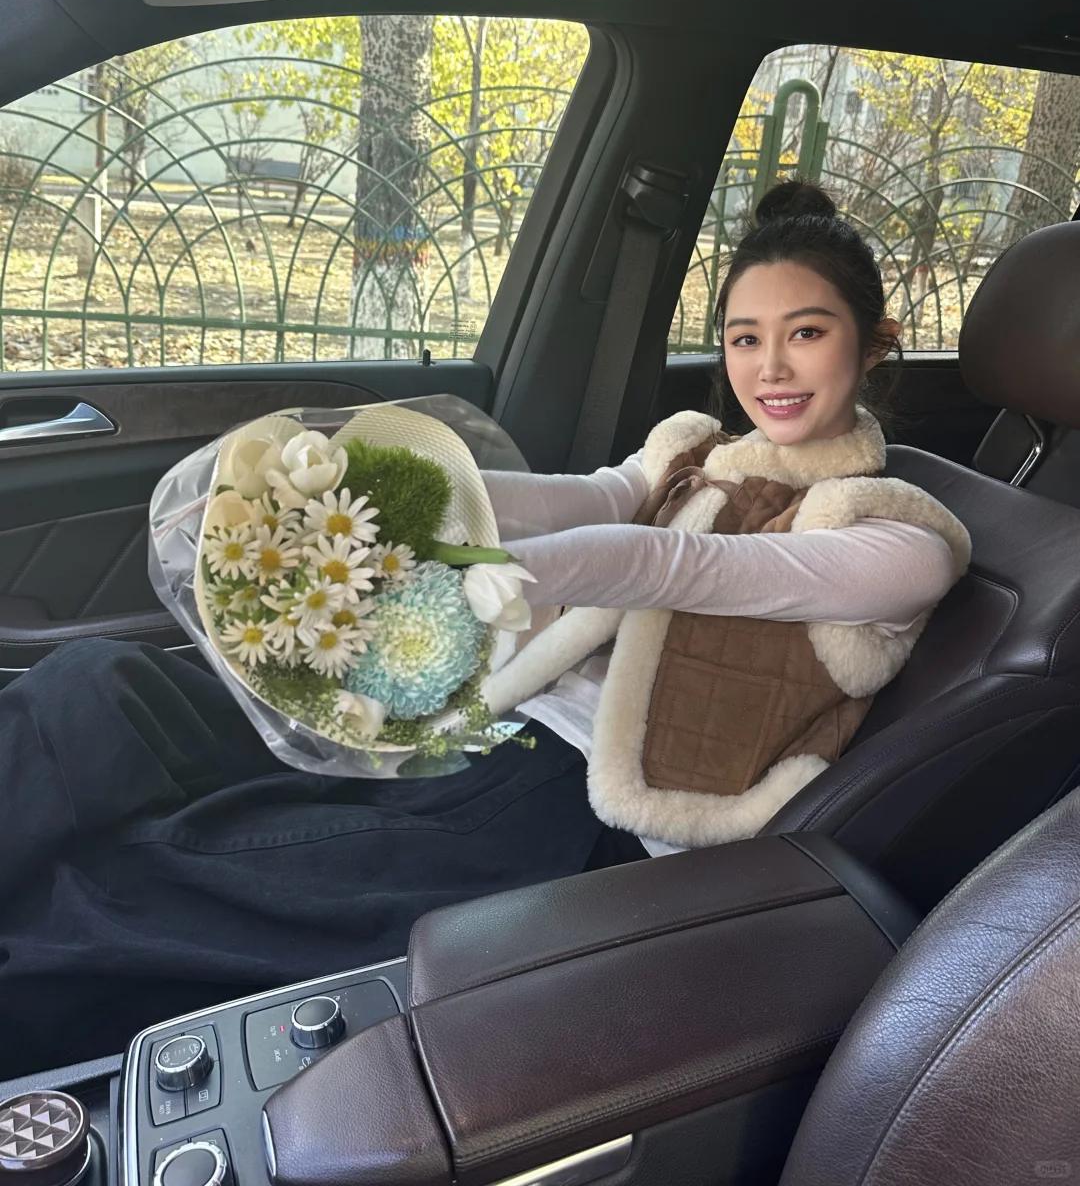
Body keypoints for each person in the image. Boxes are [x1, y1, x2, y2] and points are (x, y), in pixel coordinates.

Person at [0, 181, 966, 1077]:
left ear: (875, 344)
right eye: (744, 337)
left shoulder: (896, 539)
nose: (770, 367)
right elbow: (581, 497)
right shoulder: (696, 452)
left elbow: (671, 565)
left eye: (807, 333)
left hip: (573, 810)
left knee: (137, 881)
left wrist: (480, 576)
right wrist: (366, 489)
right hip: (492, 717)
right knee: (96, 684)